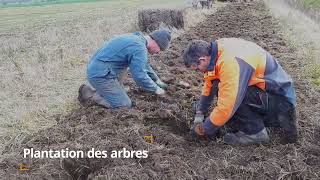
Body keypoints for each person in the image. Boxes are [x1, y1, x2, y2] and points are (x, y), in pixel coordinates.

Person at [183, 38, 298, 145]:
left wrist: (204, 130)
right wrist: (200, 112)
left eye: (197, 69)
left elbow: (228, 105)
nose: (199, 71)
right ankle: (253, 119)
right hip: (267, 95)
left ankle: (256, 133)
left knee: (235, 96)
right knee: (220, 87)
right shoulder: (216, 52)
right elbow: (210, 82)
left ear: (202, 60)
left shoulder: (230, 62)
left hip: (281, 104)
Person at [78, 28, 171, 109]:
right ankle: (90, 94)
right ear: (156, 42)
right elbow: (140, 76)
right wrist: (156, 89)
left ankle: (114, 91)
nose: (158, 52)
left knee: (126, 67)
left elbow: (144, 65)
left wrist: (157, 80)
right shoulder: (139, 48)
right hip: (101, 75)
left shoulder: (136, 39)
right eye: (160, 49)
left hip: (101, 69)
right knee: (125, 106)